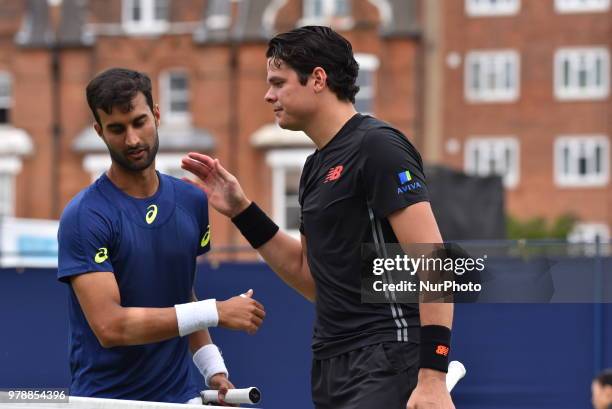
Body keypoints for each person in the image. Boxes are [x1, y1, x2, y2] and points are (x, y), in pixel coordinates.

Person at [182, 26, 454, 409]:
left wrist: (433, 377)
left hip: (388, 358)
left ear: (318, 79)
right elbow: (311, 275)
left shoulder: (378, 146)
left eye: (278, 82)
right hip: (331, 366)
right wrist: (243, 211)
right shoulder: (314, 168)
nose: (268, 95)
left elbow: (436, 263)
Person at [57, 68, 265, 404]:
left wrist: (214, 370)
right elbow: (111, 327)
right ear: (99, 132)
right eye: (117, 129)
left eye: (139, 122)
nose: (133, 140)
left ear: (156, 115)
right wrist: (216, 311)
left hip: (181, 397)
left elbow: (183, 294)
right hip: (105, 401)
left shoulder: (192, 200)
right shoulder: (84, 216)